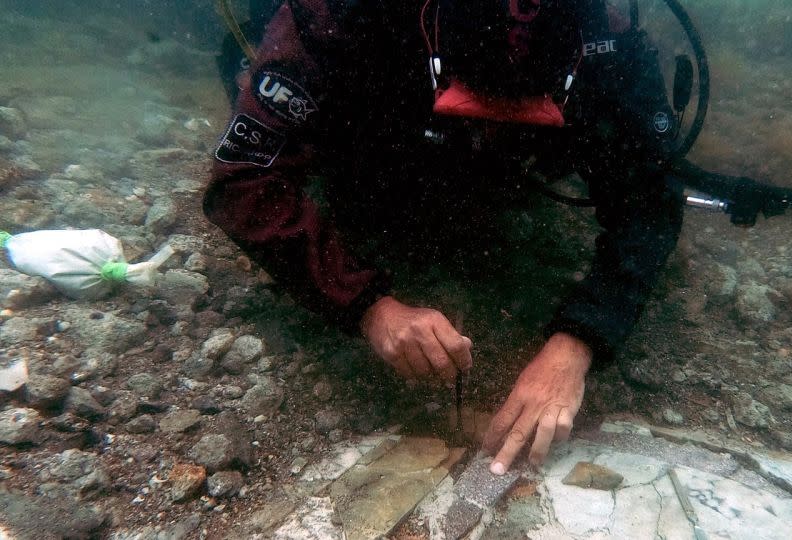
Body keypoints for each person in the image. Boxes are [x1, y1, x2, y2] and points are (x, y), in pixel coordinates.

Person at [204, 0, 685, 475]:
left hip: (510, 173)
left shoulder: (605, 39)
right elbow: (243, 178)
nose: (489, 120)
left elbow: (652, 201)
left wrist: (577, 343)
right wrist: (370, 308)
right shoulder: (340, 15)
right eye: (477, 99)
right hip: (372, 143)